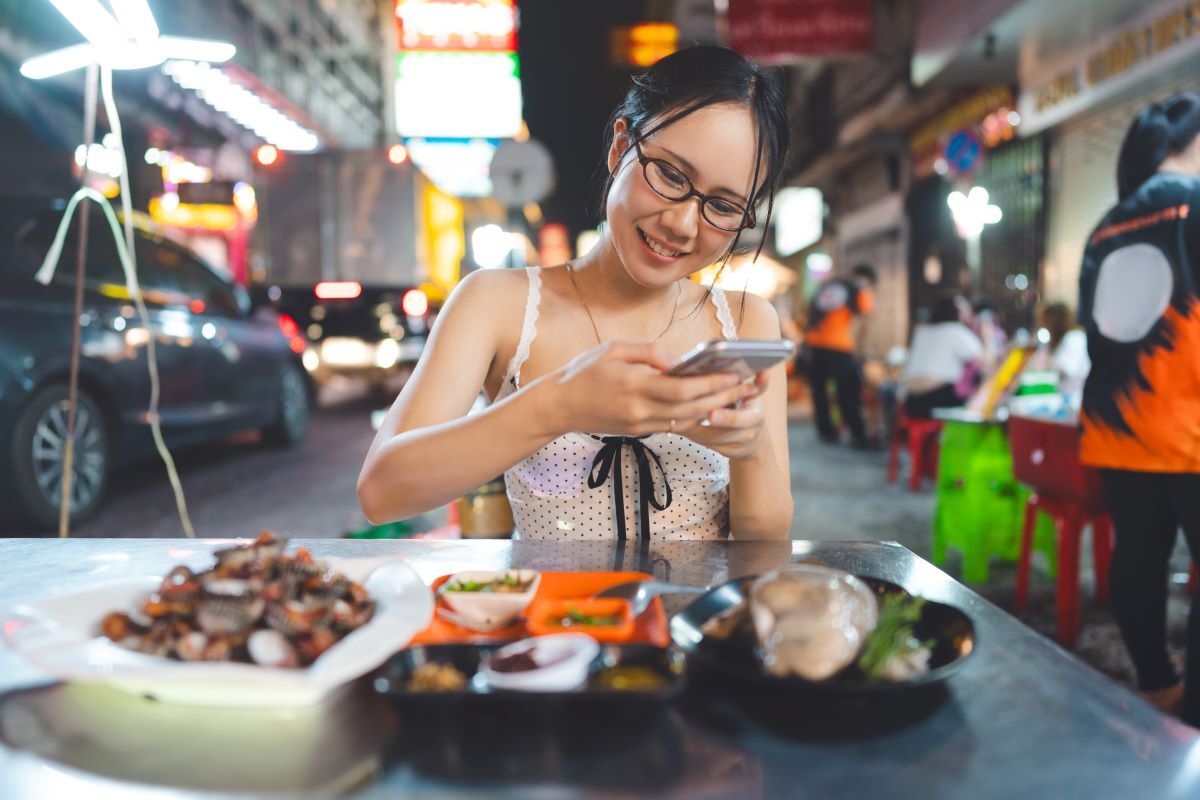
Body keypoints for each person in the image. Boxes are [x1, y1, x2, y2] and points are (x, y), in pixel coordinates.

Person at [358, 46, 793, 543]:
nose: (681, 223)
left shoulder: (745, 322)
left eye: (721, 205)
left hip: (697, 620)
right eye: (671, 175)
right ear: (619, 147)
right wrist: (559, 405)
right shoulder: (498, 303)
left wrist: (752, 446)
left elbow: (767, 544)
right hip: (555, 619)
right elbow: (381, 493)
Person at [1078, 93, 1200, 723]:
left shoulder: (1106, 224)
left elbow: (1093, 331)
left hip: (1118, 427)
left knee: (1138, 557)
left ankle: (1155, 683)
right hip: (1189, 425)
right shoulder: (1196, 200)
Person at [803, 263, 877, 447]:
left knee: (819, 392)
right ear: (866, 279)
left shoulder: (828, 286)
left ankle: (827, 432)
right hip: (839, 346)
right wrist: (861, 351)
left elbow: (810, 311)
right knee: (848, 392)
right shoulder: (858, 290)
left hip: (815, 344)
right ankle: (858, 434)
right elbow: (865, 323)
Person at [900, 296, 983, 418]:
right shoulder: (956, 330)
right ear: (958, 313)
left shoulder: (921, 331)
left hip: (911, 400)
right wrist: (986, 332)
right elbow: (984, 360)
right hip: (938, 398)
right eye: (966, 310)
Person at [1037, 302, 1090, 392]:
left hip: (1075, 395)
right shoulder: (1066, 338)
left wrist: (1048, 360)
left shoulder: (1074, 338)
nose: (1042, 325)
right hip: (1068, 393)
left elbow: (1069, 369)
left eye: (1044, 321)